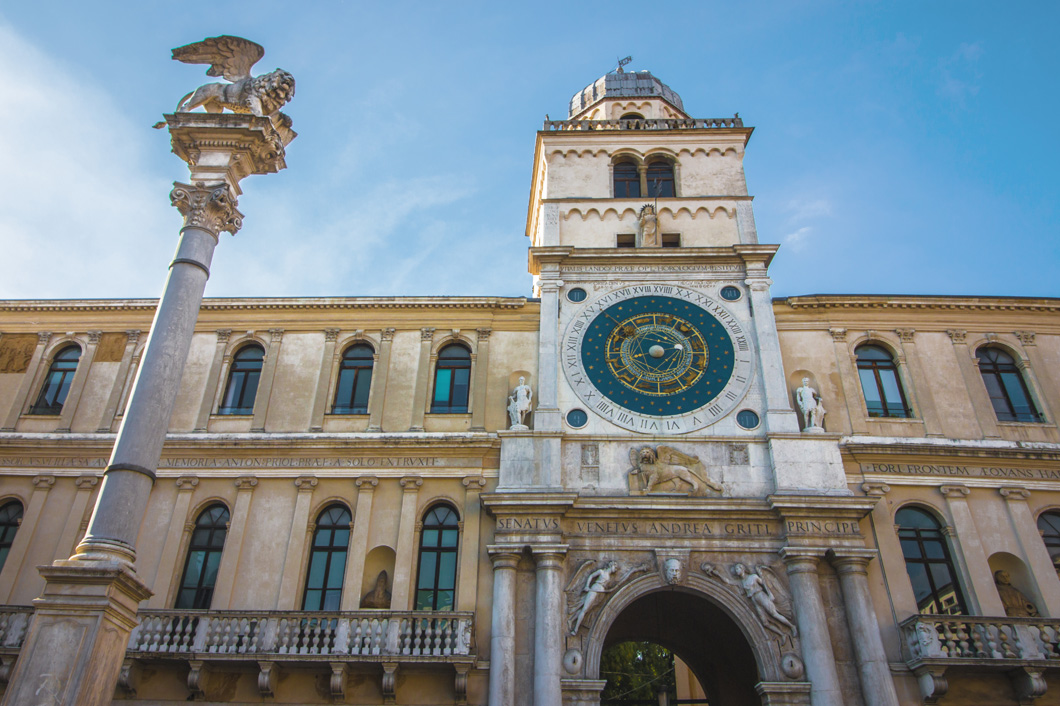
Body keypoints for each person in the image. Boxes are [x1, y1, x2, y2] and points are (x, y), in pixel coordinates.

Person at [732, 563, 798, 637]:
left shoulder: (753, 577)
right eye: (736, 570)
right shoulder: (743, 581)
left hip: (760, 595)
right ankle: (782, 634)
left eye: (737, 569)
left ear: (742, 569)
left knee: (774, 614)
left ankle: (792, 626)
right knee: (765, 623)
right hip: (754, 600)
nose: (736, 571)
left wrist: (770, 594)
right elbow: (730, 582)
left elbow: (764, 584)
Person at [568, 561, 618, 635]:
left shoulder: (609, 576)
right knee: (585, 609)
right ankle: (575, 629)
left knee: (586, 610)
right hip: (594, 590)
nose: (616, 569)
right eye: (615, 567)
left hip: (600, 594)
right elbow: (591, 576)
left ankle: (571, 621)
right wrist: (587, 586)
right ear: (611, 565)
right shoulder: (601, 571)